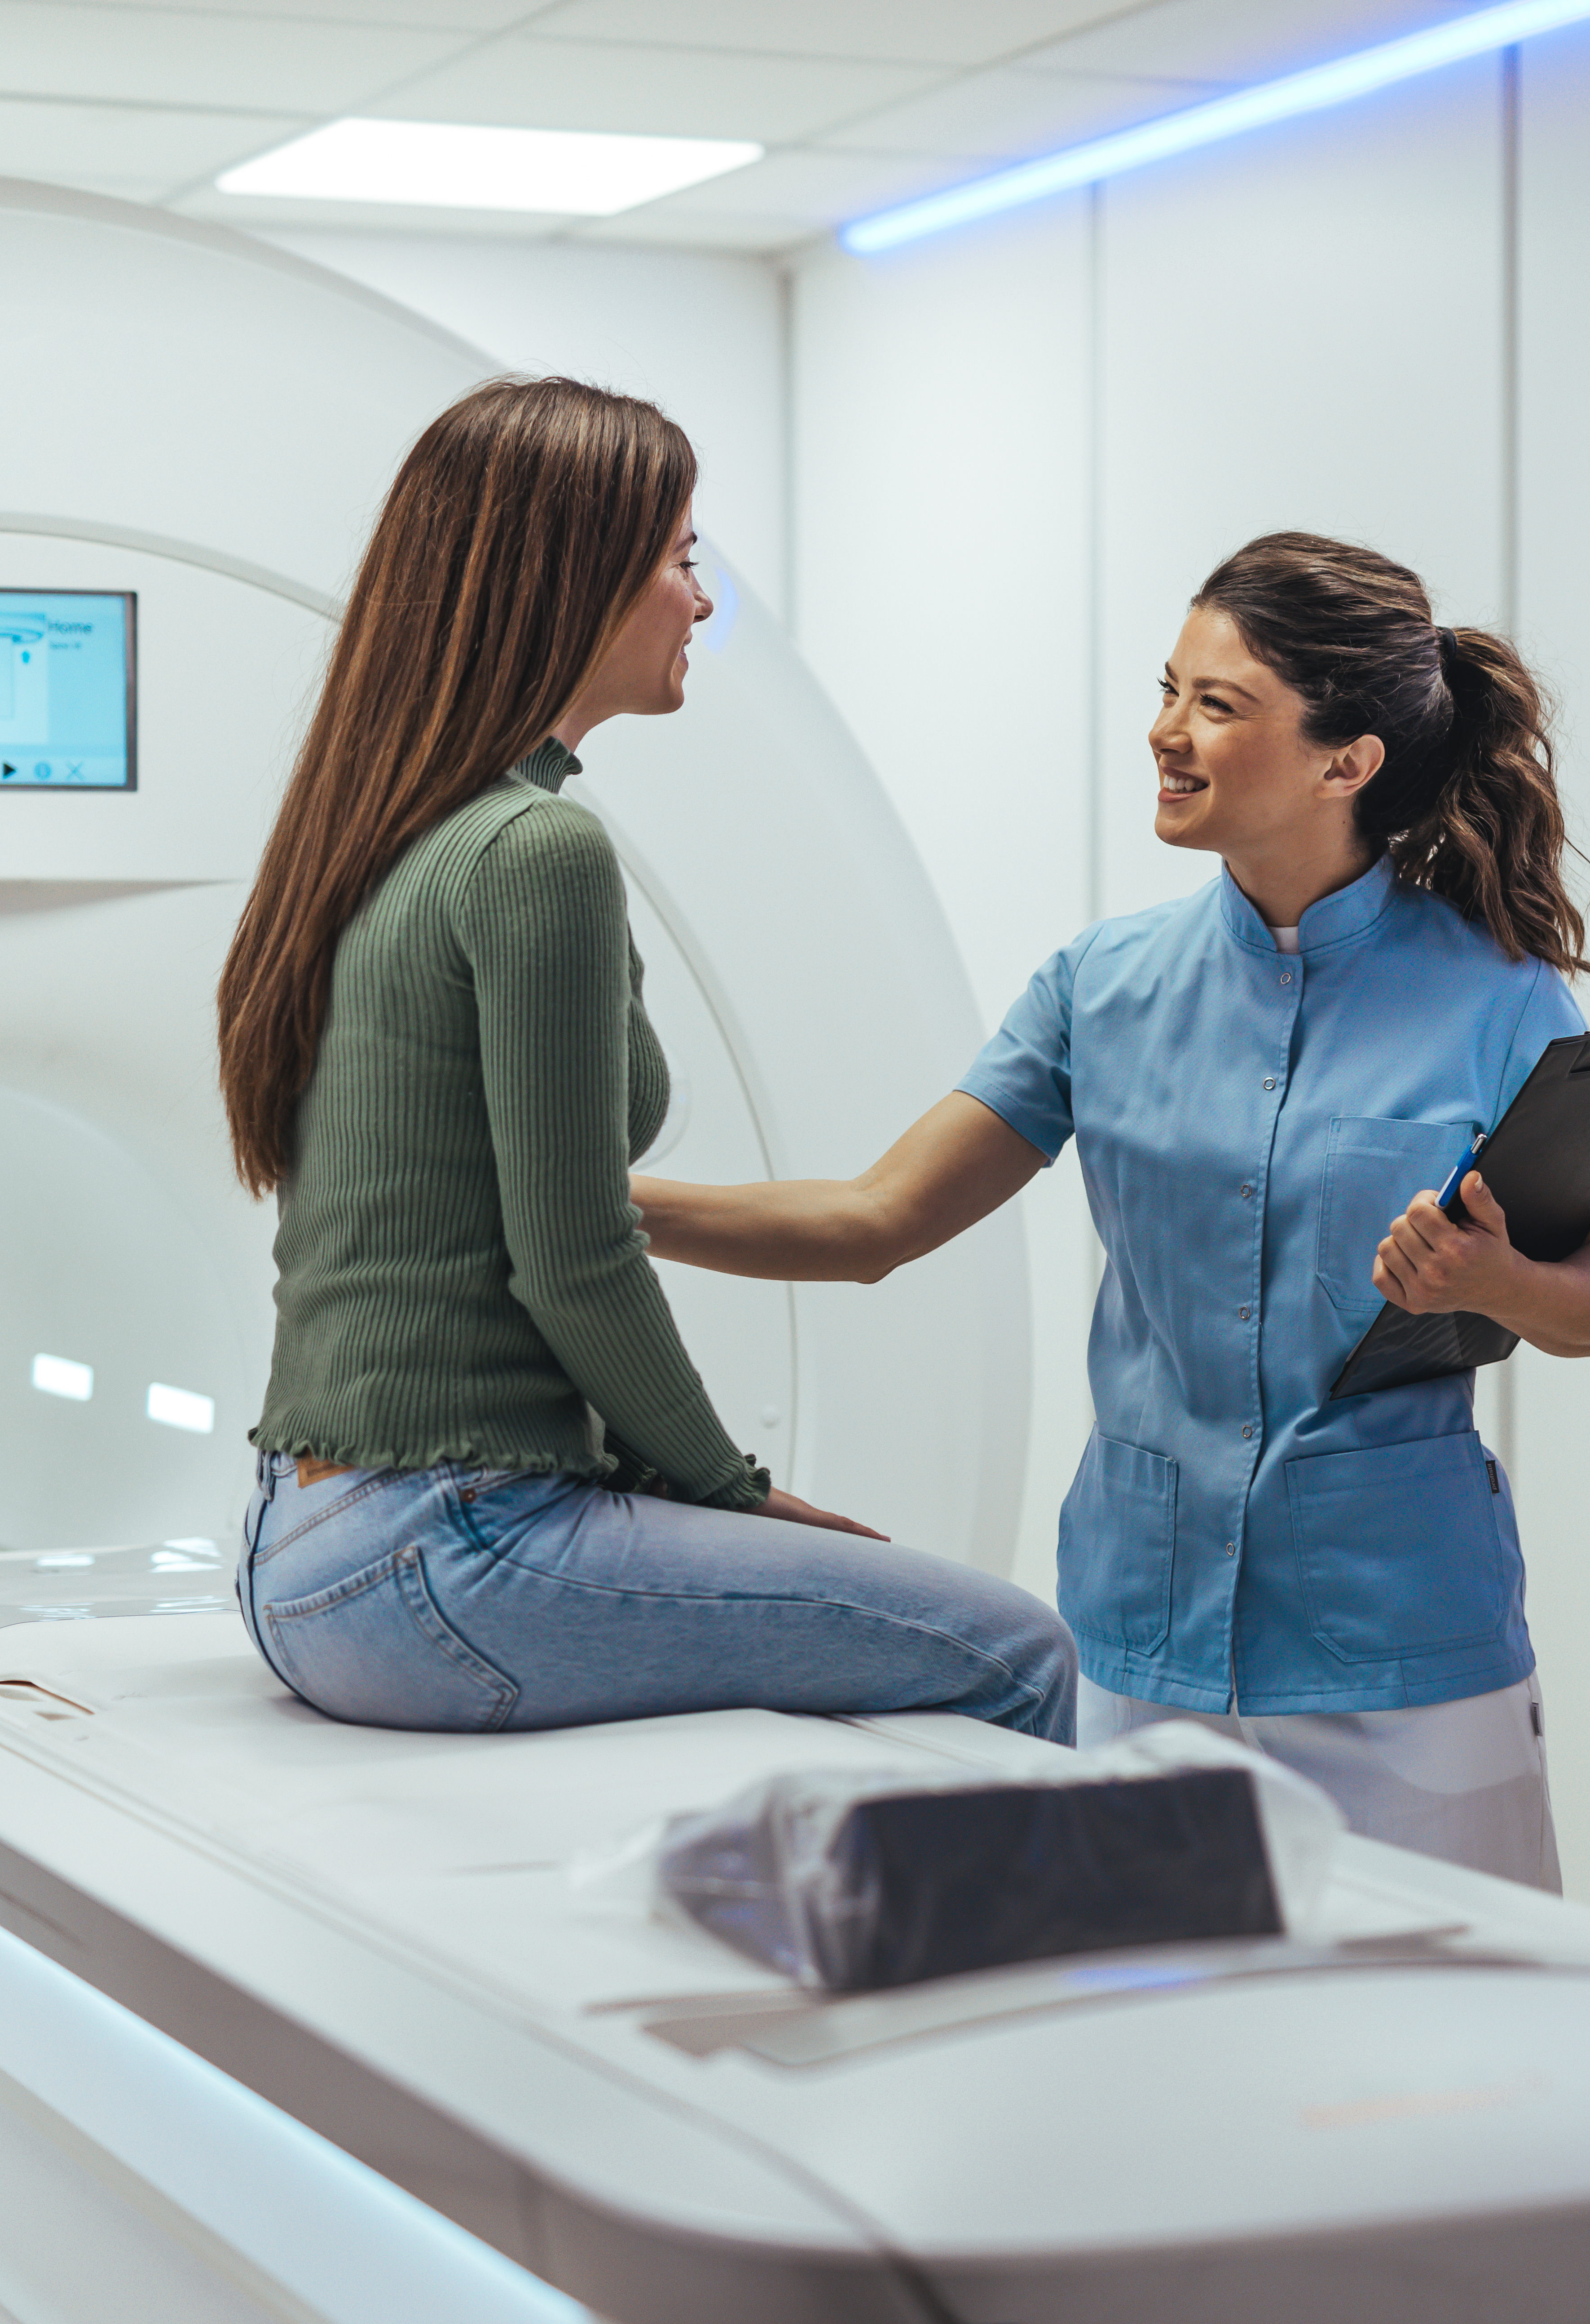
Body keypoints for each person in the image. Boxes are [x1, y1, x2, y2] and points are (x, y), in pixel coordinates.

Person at [631, 532, 1590, 1886]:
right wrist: (600, 1205)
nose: (1168, 733)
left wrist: (1492, 1282)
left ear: (1349, 762)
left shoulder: (1498, 995)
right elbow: (877, 1221)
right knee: (1158, 2063)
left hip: (1407, 1659)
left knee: (1451, 2068)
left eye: (1218, 706)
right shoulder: (1098, 988)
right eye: (1170, 689)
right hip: (1142, 1653)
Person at [216, 376, 1074, 1744]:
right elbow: (573, 1254)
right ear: (578, 579)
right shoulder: (535, 852)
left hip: (300, 1550)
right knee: (1018, 1647)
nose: (704, 601)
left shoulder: (381, 840)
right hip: (448, 1555)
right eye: (684, 561)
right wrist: (727, 1490)